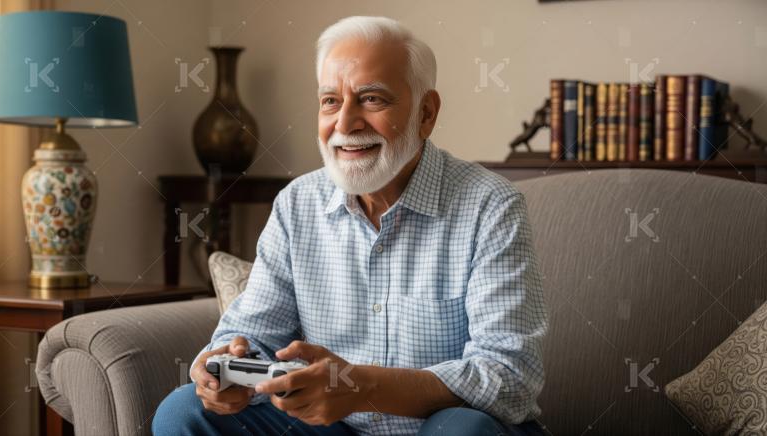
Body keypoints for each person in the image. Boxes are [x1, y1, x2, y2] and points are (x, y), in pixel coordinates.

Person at [153, 15, 547, 436]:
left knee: (463, 431)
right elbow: (251, 334)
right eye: (330, 102)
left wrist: (362, 388)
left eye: (372, 99)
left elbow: (511, 378)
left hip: (442, 427)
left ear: (426, 113)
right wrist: (222, 368)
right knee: (184, 413)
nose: (344, 124)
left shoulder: (491, 206)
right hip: (333, 428)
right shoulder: (297, 205)